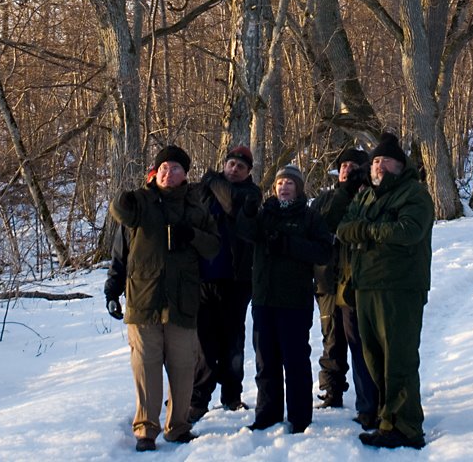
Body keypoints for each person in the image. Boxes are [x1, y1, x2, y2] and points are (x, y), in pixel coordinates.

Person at [105, 144, 220, 452]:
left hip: (183, 301)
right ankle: (146, 429)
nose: (170, 173)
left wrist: (192, 235)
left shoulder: (196, 207)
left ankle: (178, 426)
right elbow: (121, 243)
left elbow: (214, 248)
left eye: (177, 168)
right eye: (165, 168)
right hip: (144, 299)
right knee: (146, 366)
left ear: (186, 175)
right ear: (155, 172)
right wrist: (112, 290)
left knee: (183, 367)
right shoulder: (139, 204)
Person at [337, 132, 434, 451]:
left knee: (400, 359)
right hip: (365, 286)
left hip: (400, 288)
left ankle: (407, 427)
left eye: (384, 160)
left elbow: (408, 231)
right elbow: (343, 227)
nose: (377, 165)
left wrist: (367, 231)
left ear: (399, 164)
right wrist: (372, 231)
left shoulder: (414, 193)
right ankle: (387, 419)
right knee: (374, 359)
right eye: (375, 160)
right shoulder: (365, 196)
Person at [237, 164, 332, 434]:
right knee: (265, 361)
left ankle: (300, 416)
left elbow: (324, 251)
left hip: (295, 301)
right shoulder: (265, 213)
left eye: (290, 183)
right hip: (264, 300)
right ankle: (267, 414)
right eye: (280, 183)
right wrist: (247, 210)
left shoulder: (309, 217)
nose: (284, 187)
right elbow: (245, 231)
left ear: (299, 187)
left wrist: (289, 245)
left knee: (296, 361)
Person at [189, 144, 262, 421]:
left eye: (240, 167)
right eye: (231, 164)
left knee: (233, 340)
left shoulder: (251, 194)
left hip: (237, 279)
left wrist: (211, 178)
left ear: (248, 172)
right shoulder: (202, 190)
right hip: (204, 278)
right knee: (204, 342)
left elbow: (232, 203)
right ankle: (198, 398)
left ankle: (232, 395)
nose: (234, 169)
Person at [312, 147, 379, 428]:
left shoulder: (369, 198)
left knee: (359, 343)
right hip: (327, 280)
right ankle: (332, 390)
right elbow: (320, 228)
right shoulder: (326, 199)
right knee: (331, 339)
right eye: (342, 166)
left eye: (352, 165)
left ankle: (368, 402)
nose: (346, 170)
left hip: (356, 282)